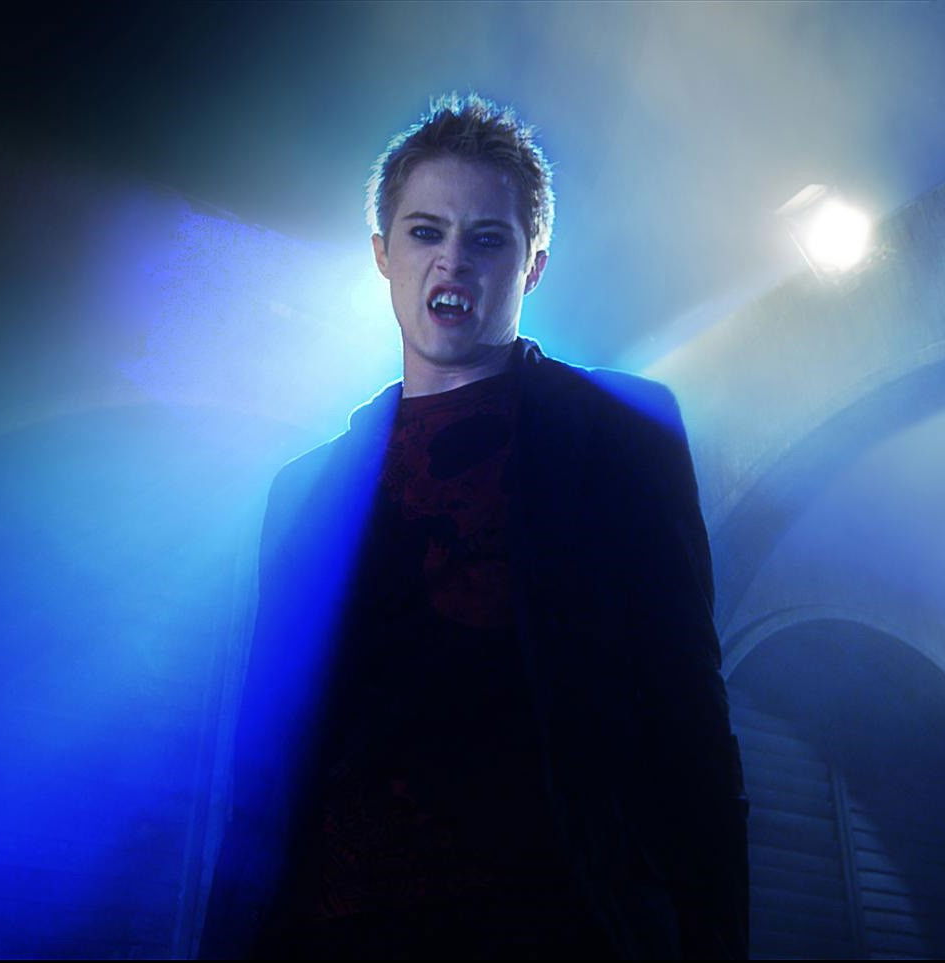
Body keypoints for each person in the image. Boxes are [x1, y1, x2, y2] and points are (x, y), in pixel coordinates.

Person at [200, 93, 748, 960]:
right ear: (382, 254)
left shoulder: (621, 432)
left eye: (487, 238)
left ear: (532, 266)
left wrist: (713, 939)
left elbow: (687, 708)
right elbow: (262, 764)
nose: (452, 260)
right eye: (426, 232)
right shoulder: (304, 490)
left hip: (549, 921)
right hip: (335, 926)